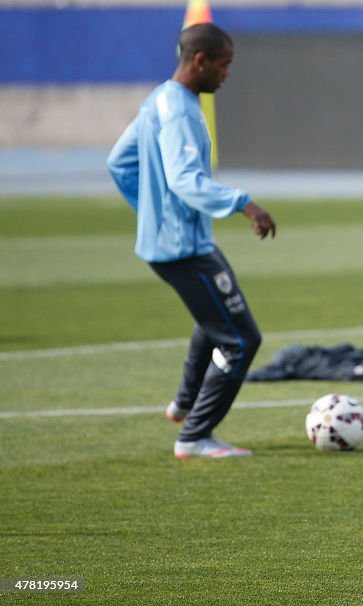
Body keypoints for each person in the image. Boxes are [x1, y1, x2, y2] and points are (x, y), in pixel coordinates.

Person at [108, 23, 277, 458]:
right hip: (183, 248)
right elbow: (185, 179)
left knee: (214, 319)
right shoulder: (181, 111)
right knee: (240, 341)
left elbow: (119, 162)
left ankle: (184, 404)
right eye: (224, 64)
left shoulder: (159, 100)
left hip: (174, 242)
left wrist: (152, 213)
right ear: (200, 60)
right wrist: (245, 204)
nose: (227, 73)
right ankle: (195, 435)